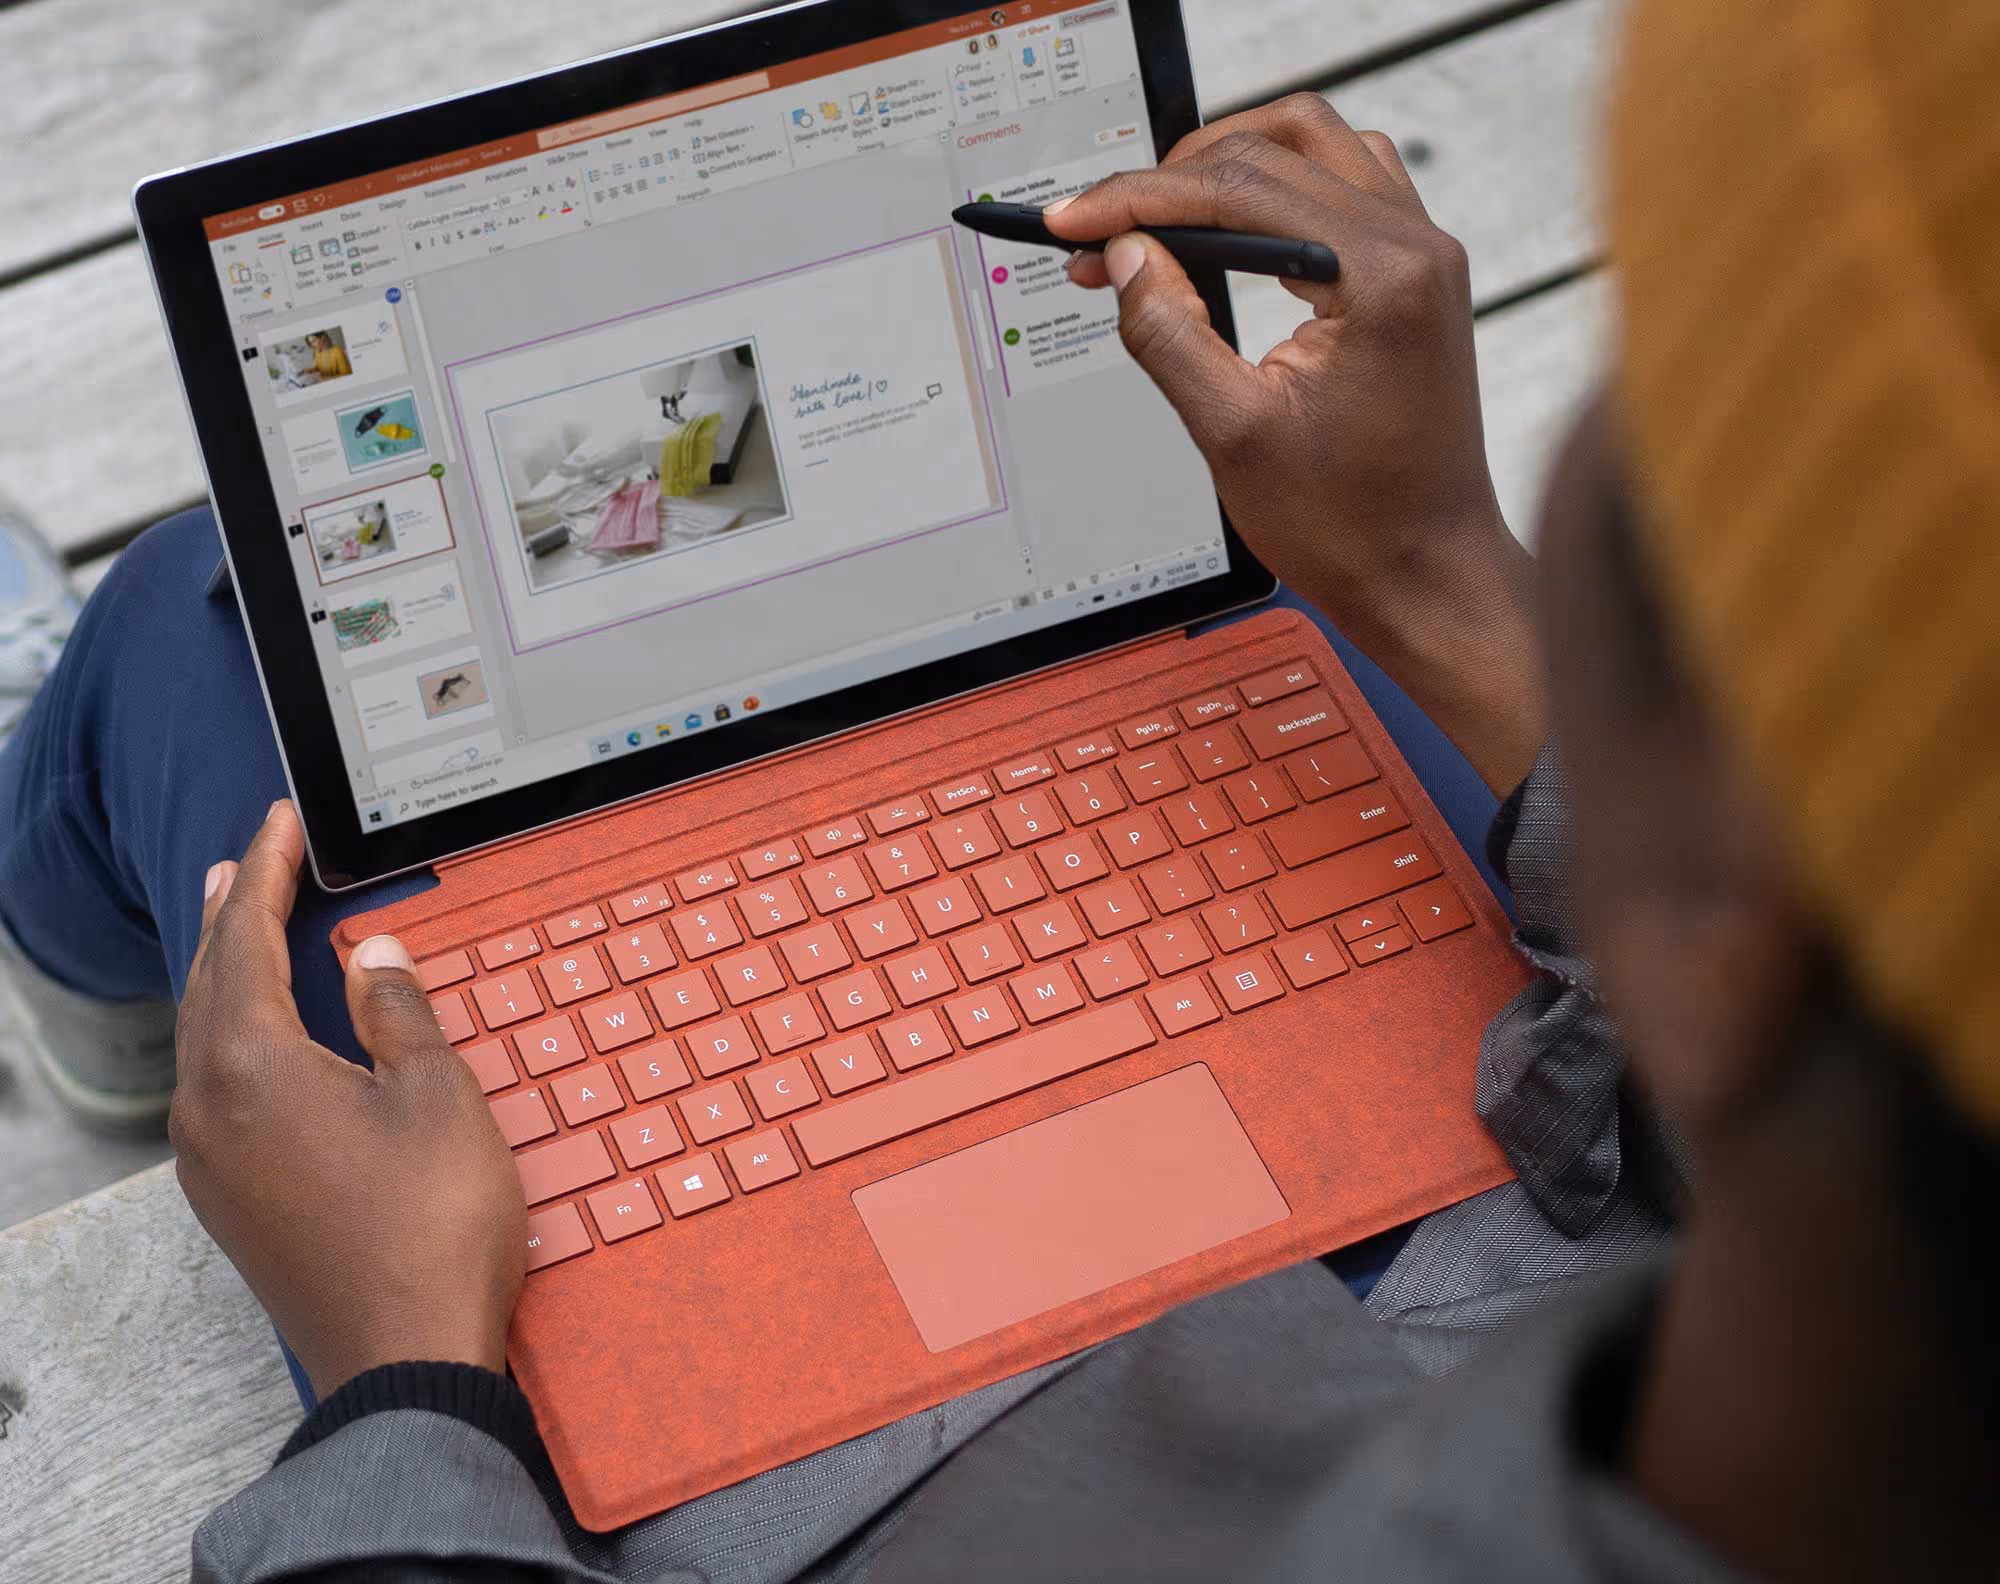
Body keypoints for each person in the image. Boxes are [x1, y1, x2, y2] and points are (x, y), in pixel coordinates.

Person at [2, 0, 1994, 1576]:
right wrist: (1447, 580)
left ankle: (86, 999)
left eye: (1640, 506)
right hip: (1515, 1248)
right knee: (1230, 661)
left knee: (200, 621)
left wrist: (403, 1386)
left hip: (837, 1485)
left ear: (1738, 935)